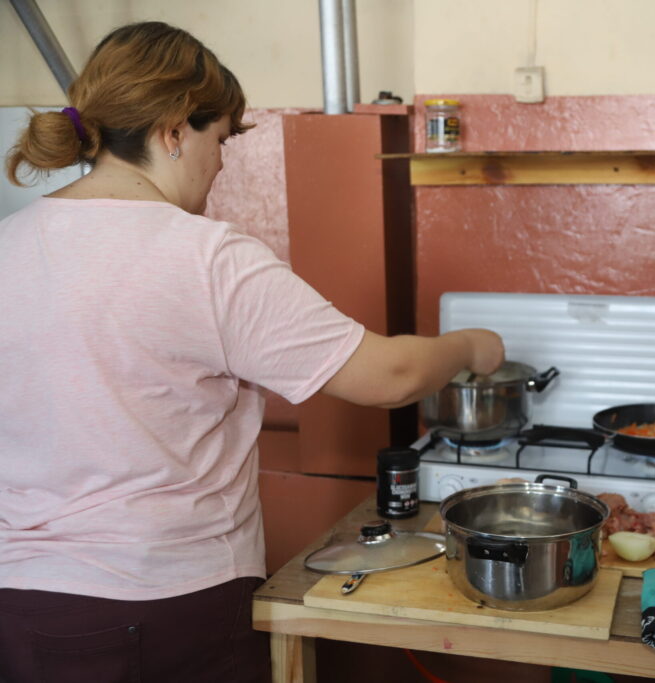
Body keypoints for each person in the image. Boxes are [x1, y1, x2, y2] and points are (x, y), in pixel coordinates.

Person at [0, 21, 503, 683]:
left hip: (23, 608)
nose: (223, 160)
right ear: (176, 129)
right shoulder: (203, 256)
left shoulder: (10, 243)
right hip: (170, 606)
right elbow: (391, 375)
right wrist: (472, 343)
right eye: (222, 138)